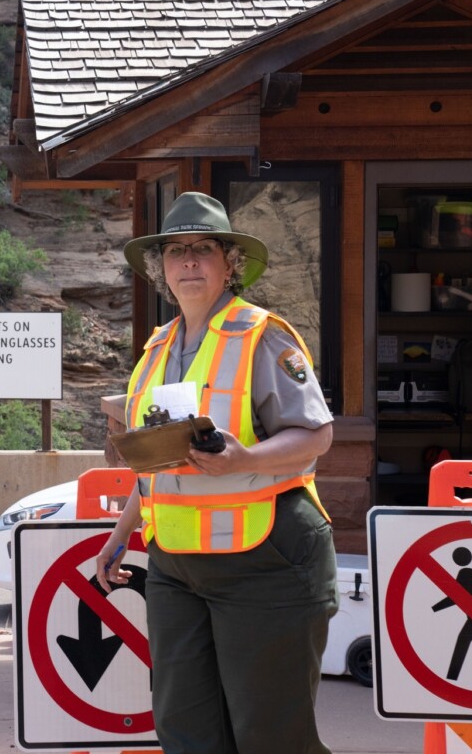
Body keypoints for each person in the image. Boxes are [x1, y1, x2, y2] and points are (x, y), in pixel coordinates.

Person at [95, 191, 337, 754]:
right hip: (178, 568)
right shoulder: (156, 348)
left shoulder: (263, 335)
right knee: (187, 734)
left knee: (273, 739)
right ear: (162, 270)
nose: (188, 262)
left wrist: (245, 460)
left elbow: (318, 434)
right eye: (175, 252)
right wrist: (121, 534)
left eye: (202, 249)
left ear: (230, 264)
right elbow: (156, 463)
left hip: (267, 560)